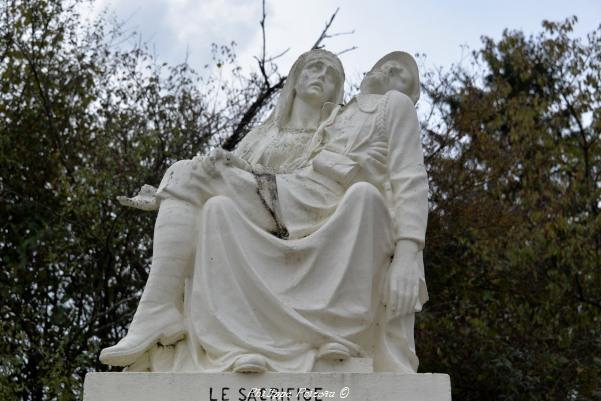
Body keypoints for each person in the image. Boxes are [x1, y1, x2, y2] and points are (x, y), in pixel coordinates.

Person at [99, 49, 346, 372]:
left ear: (337, 91)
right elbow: (240, 166)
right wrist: (225, 164)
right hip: (256, 208)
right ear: (296, 80)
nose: (322, 77)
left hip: (305, 207)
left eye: (332, 75)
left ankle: (157, 309)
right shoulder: (265, 133)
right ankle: (167, 312)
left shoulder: (334, 131)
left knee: (187, 173)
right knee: (206, 193)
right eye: (315, 68)